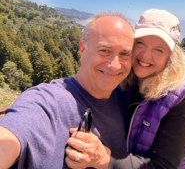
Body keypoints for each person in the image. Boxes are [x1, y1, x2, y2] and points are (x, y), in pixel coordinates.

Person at [66, 9, 185, 168]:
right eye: (140, 43)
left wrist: (104, 158)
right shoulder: (125, 79)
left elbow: (164, 166)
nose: (145, 55)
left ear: (170, 57)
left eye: (158, 50)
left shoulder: (181, 95)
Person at [0, 12, 134, 169]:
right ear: (83, 49)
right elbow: (11, 134)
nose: (115, 65)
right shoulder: (47, 101)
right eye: (104, 51)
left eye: (124, 54)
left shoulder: (127, 100)